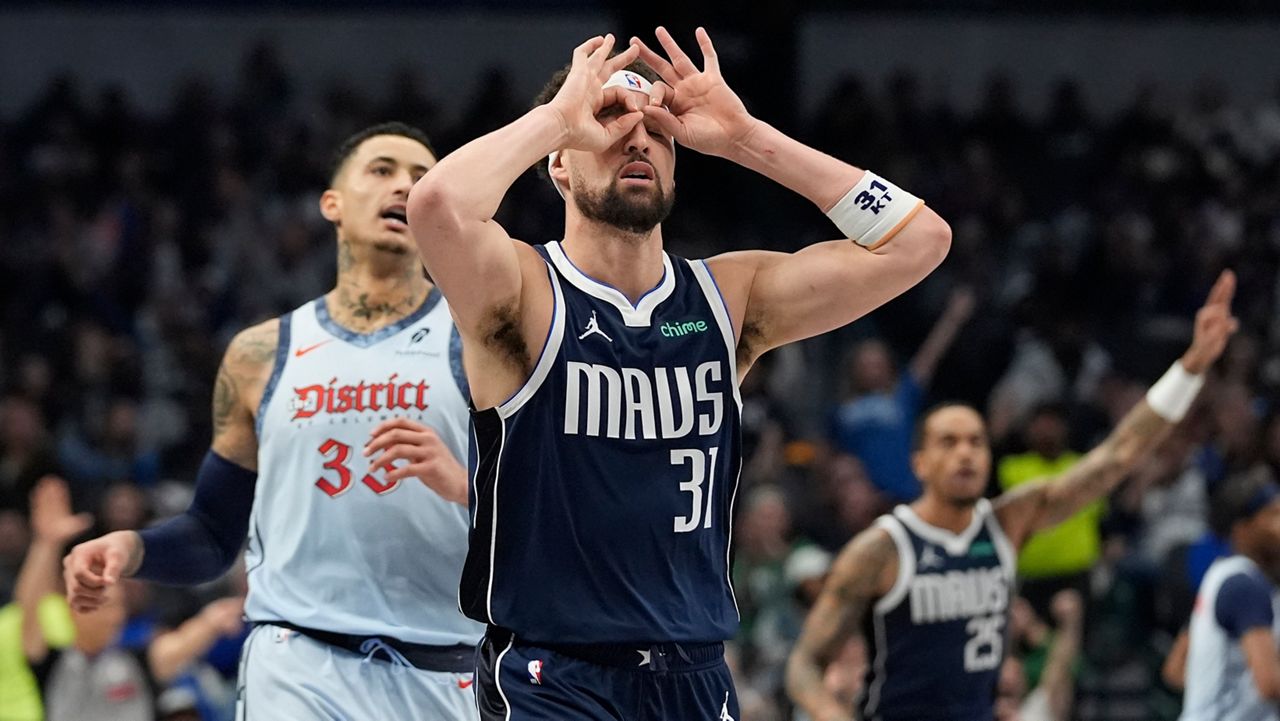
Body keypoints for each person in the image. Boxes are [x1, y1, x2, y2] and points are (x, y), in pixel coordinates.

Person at [408, 28, 951, 719]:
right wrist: (557, 118)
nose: (637, 140)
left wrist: (748, 139)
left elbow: (920, 241)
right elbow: (436, 207)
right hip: (555, 674)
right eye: (611, 119)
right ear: (560, 165)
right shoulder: (522, 290)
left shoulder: (728, 298)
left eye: (658, 131)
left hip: (695, 671)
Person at [62, 123, 484, 720]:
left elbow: (550, 513)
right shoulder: (260, 354)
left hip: (444, 669)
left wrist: (467, 485)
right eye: (382, 170)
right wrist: (129, 547)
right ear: (331, 204)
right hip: (295, 665)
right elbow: (214, 533)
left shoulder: (482, 341)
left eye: (421, 178)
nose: (404, 187)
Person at [786, 271, 1237, 721]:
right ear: (919, 463)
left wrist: (1192, 366)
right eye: (948, 442)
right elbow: (804, 667)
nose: (965, 453)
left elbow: (1118, 455)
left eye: (976, 441)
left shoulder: (1008, 522)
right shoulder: (882, 548)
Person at [18, 475, 244, 721]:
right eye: (103, 604)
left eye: (118, 606)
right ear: (73, 608)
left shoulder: (137, 661)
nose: (113, 615)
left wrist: (213, 620)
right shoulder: (53, 662)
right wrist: (46, 543)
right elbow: (29, 609)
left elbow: (179, 645)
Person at [829, 286, 975, 502]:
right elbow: (834, 456)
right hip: (864, 500)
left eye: (877, 364)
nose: (872, 370)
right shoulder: (843, 410)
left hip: (906, 492)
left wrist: (953, 318)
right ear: (854, 368)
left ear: (888, 366)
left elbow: (929, 358)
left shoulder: (902, 395)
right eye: (866, 364)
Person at [1176, 468, 1280, 721]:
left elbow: (1176, 668)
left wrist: (1218, 688)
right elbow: (1269, 683)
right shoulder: (1244, 586)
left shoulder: (1221, 576)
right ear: (1242, 529)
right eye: (1273, 515)